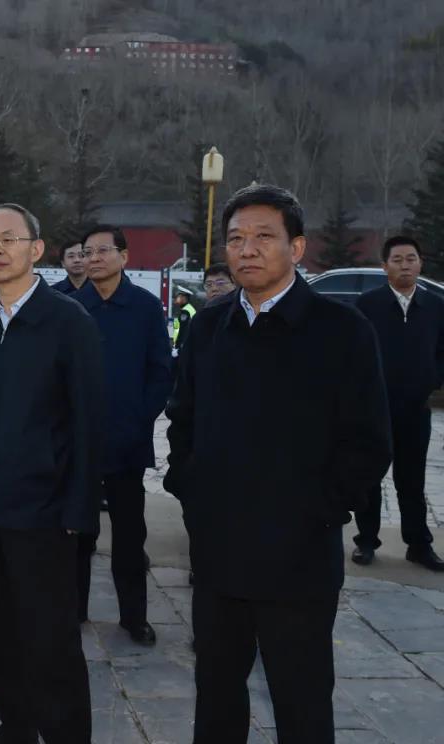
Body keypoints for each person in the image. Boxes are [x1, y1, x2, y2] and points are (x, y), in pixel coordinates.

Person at [165, 184, 392, 743]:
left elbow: (368, 442)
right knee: (217, 698)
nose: (247, 249)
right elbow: (183, 420)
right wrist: (192, 491)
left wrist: (319, 511)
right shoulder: (208, 326)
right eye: (236, 238)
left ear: (297, 247)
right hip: (219, 555)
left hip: (299, 560)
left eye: (264, 236)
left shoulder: (341, 330)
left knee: (302, 702)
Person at [0, 204, 101, 743]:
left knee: (50, 641)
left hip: (43, 512)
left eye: (7, 240)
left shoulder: (68, 322)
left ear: (36, 249)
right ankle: (17, 724)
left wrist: (80, 507)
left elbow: (87, 420)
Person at [72, 225, 173, 644]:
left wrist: (138, 420)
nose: (94, 258)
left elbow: (160, 372)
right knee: (77, 532)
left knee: (130, 536)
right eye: (87, 252)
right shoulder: (70, 307)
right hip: (77, 443)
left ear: (124, 257)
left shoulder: (145, 307)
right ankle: (73, 609)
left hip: (127, 441)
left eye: (102, 251)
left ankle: (134, 617)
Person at [352, 235, 444, 571]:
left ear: (420, 263)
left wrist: (433, 380)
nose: (405, 266)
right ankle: (366, 541)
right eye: (397, 260)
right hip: (375, 409)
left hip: (415, 409)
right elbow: (353, 353)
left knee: (412, 479)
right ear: (384, 266)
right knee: (370, 476)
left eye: (411, 259)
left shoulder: (436, 306)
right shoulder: (367, 305)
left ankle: (418, 545)